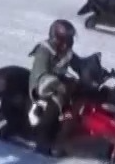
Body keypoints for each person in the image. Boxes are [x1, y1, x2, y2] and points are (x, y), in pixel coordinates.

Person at [28, 19, 83, 155]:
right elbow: (40, 74)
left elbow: (79, 64)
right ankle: (42, 142)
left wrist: (93, 69)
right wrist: (59, 85)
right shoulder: (44, 51)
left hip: (58, 83)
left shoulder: (66, 51)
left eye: (70, 39)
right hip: (42, 87)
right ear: (57, 38)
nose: (69, 42)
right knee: (54, 106)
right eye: (67, 38)